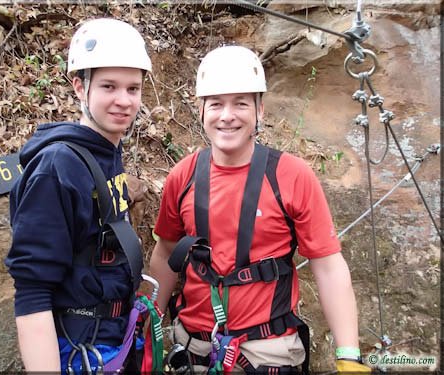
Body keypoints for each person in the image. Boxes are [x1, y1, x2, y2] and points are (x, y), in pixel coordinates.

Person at [149, 45, 371, 374]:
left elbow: (328, 266)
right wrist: (145, 331)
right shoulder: (183, 175)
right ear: (201, 110)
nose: (227, 115)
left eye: (240, 103)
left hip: (267, 352)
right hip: (194, 349)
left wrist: (349, 354)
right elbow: (166, 254)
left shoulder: (292, 176)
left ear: (260, 110)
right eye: (216, 104)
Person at [5, 18, 151, 374]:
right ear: (78, 87)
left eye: (133, 89)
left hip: (115, 338)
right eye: (108, 86)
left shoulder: (104, 153)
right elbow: (32, 292)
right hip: (80, 351)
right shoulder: (57, 168)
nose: (123, 101)